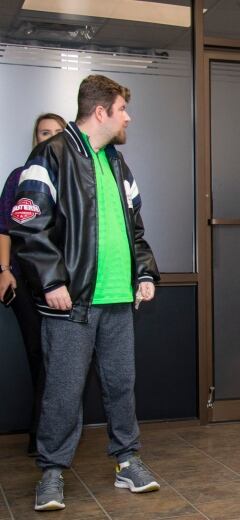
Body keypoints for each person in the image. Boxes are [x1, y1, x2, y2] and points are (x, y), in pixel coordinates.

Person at [10, 75, 161, 511]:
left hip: (118, 299)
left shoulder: (118, 165)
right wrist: (52, 280)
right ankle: (52, 473)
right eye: (122, 109)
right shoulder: (50, 155)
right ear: (101, 112)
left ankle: (127, 461)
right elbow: (27, 223)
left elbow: (135, 230)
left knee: (121, 385)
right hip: (72, 302)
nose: (127, 117)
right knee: (63, 389)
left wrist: (145, 274)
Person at [0, 113, 66, 456]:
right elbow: (4, 228)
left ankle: (50, 438)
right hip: (24, 280)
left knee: (60, 358)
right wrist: (3, 270)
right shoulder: (18, 177)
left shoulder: (72, 179)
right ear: (35, 138)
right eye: (45, 132)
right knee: (39, 355)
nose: (51, 137)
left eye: (57, 132)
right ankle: (41, 440)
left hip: (63, 282)